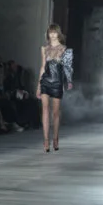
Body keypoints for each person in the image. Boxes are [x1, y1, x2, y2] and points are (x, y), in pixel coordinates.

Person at [35, 24, 73, 152]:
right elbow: (42, 67)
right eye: (50, 32)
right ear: (48, 34)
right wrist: (38, 85)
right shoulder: (44, 49)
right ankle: (46, 140)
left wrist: (69, 81)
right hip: (45, 81)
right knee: (45, 110)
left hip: (57, 82)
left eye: (54, 32)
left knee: (56, 112)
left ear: (58, 34)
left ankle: (55, 138)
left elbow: (68, 67)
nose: (52, 35)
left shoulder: (65, 49)